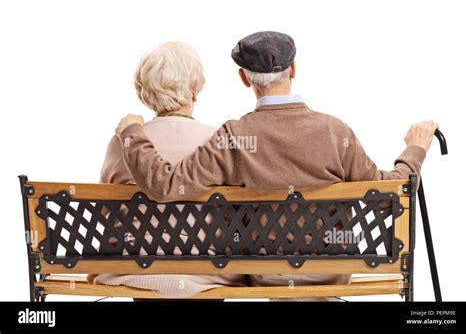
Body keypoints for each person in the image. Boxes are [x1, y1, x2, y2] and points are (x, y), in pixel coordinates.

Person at [114, 31, 438, 300]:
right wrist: (416, 147)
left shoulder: (234, 137)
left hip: (266, 272)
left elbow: (167, 185)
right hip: (331, 267)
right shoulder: (334, 131)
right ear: (293, 68)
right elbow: (391, 193)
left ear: (244, 78)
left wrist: (132, 133)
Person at [89, 41, 246, 299]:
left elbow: (107, 211)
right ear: (195, 90)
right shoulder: (220, 142)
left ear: (144, 92)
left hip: (135, 272)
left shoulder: (123, 142)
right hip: (210, 273)